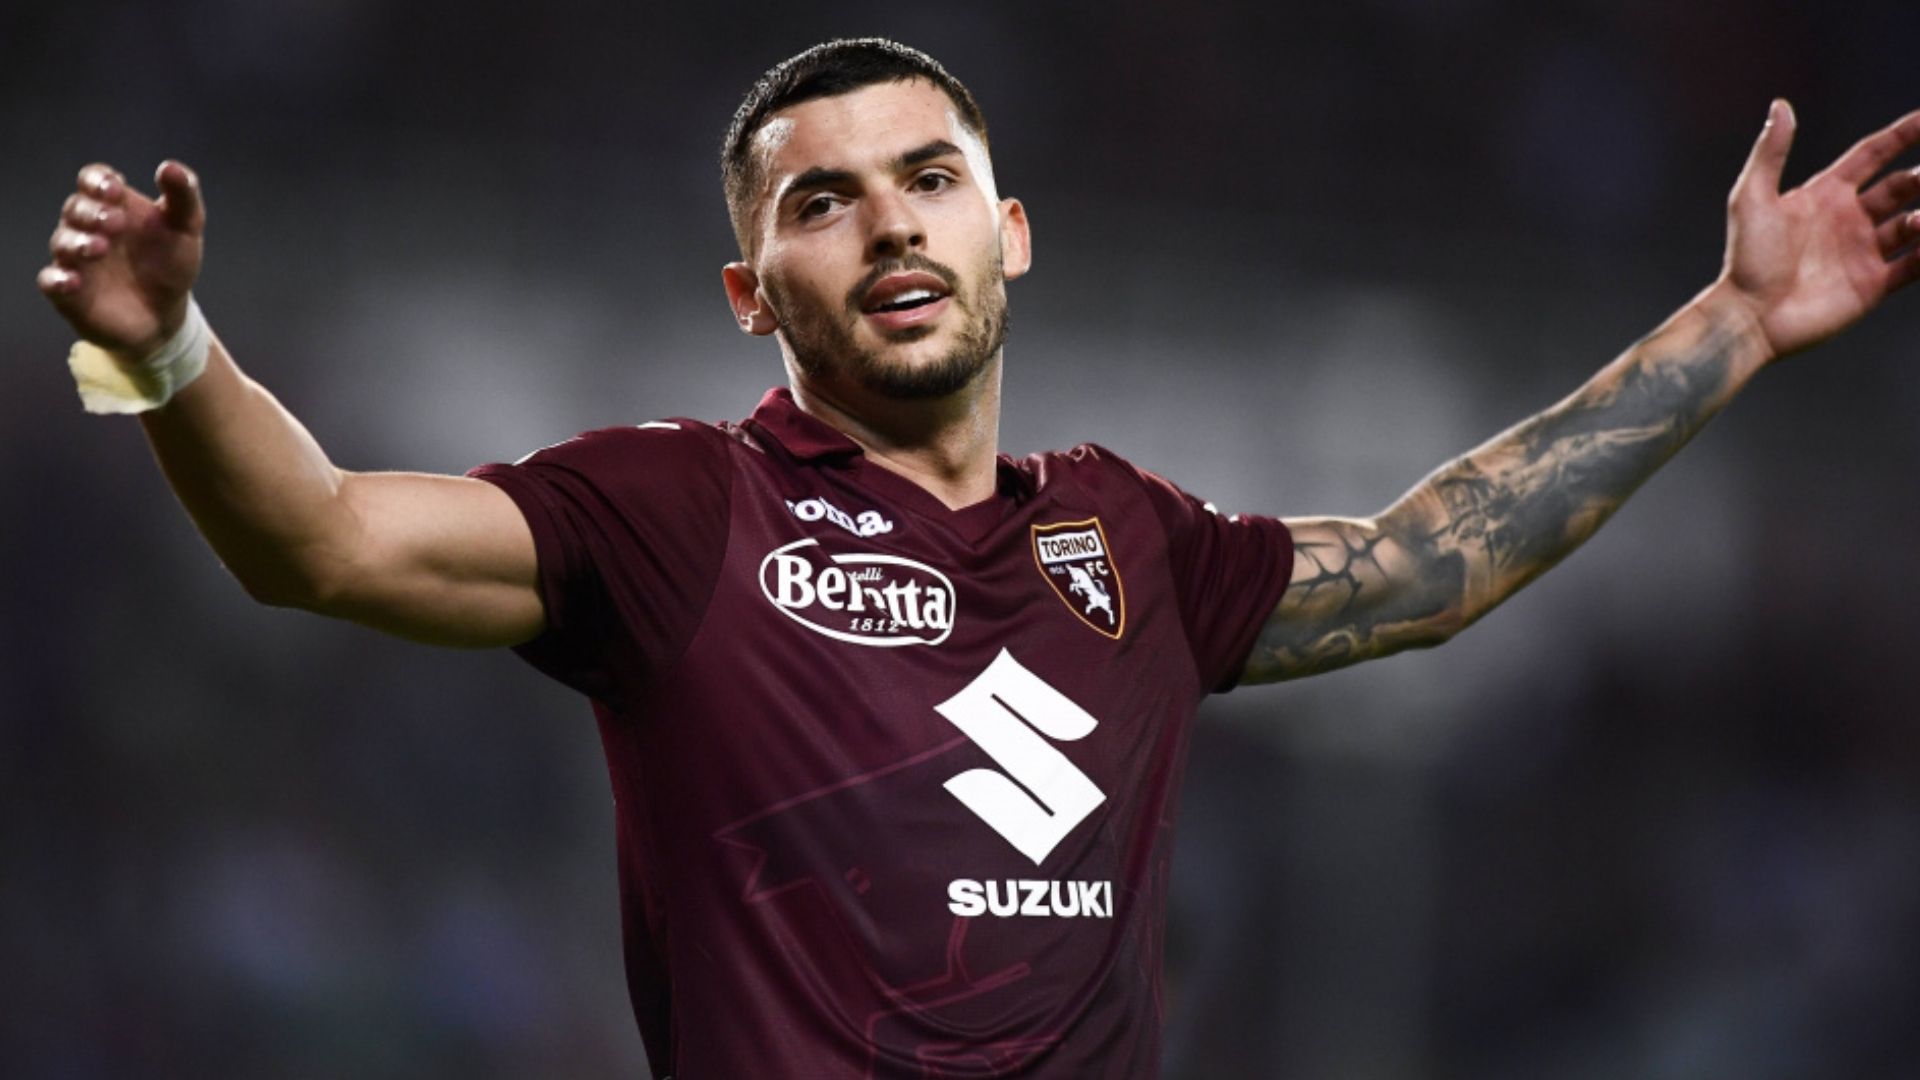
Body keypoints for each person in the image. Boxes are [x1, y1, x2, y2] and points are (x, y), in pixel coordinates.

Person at [34, 36, 1920, 1080]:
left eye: (929, 178)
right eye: (822, 202)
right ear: (750, 291)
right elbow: (319, 540)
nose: (889, 225)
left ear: (1010, 232)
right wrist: (164, 350)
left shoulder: (1135, 540)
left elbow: (1434, 564)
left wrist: (1739, 325)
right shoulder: (679, 512)